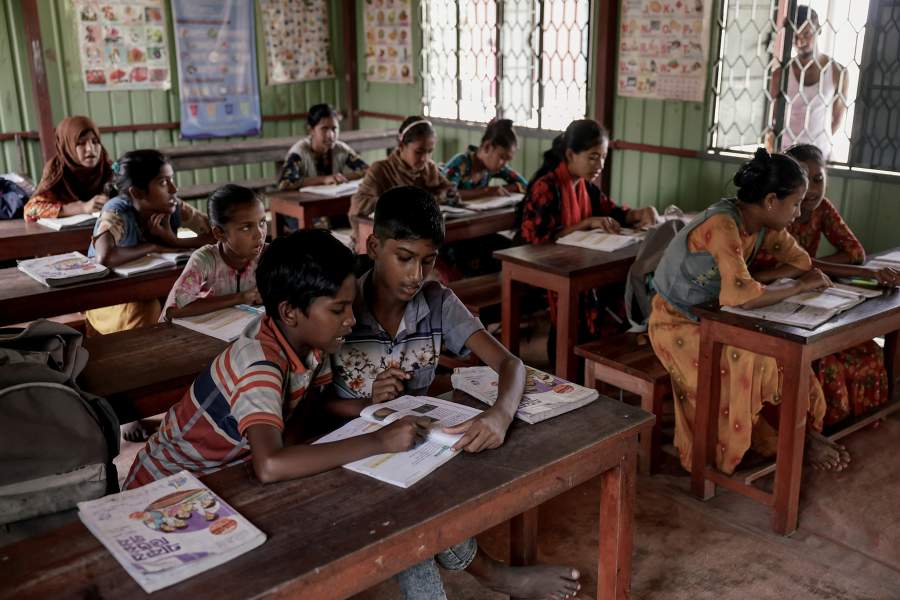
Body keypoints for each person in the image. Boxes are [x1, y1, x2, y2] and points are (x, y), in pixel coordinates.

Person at [332, 186, 581, 600]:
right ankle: (495, 575)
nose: (416, 275)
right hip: (347, 455)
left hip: (411, 453)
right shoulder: (340, 307)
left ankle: (497, 575)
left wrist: (500, 415)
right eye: (405, 258)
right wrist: (367, 405)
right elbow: (307, 405)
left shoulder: (437, 302)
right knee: (414, 519)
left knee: (430, 498)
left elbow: (510, 364)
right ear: (373, 246)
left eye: (427, 262)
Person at [124, 230, 424, 489]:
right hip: (164, 486)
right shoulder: (259, 366)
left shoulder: (312, 346)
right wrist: (380, 442)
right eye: (338, 310)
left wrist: (369, 406)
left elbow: (307, 408)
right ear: (290, 312)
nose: (351, 320)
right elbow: (269, 466)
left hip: (227, 473)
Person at [648, 148, 851, 475]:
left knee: (780, 355)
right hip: (676, 322)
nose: (799, 213)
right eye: (795, 203)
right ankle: (780, 443)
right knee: (752, 360)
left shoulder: (764, 224)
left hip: (718, 316)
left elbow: (800, 262)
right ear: (771, 200)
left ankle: (798, 436)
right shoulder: (724, 224)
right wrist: (794, 287)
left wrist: (758, 281)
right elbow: (741, 296)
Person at [751, 144, 899, 425]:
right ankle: (821, 428)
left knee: (868, 352)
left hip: (805, 293)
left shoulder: (822, 209)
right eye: (804, 180)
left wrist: (810, 265)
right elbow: (776, 270)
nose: (812, 190)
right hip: (769, 299)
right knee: (827, 358)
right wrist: (809, 267)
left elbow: (855, 253)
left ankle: (859, 423)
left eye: (818, 179)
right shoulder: (780, 211)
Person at [517, 119, 658, 340]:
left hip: (576, 265)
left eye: (603, 157)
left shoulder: (584, 186)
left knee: (627, 284)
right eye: (593, 157)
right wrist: (585, 223)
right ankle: (577, 353)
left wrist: (639, 213)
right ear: (571, 155)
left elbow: (612, 211)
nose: (600, 165)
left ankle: (598, 350)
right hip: (543, 272)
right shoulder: (546, 187)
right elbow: (535, 241)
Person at [86, 150, 211, 335]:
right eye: (163, 183)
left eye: (171, 180)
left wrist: (173, 241)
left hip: (155, 289)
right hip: (109, 299)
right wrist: (151, 247)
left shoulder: (173, 205)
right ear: (136, 192)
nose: (174, 189)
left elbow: (217, 234)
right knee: (149, 308)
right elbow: (105, 256)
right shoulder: (117, 211)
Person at [161, 184, 267, 321]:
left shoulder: (268, 255)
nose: (260, 235)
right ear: (219, 233)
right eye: (246, 227)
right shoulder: (205, 260)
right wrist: (241, 298)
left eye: (262, 222)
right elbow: (174, 310)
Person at [767, 6, 848, 159]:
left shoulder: (838, 73)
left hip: (820, 155)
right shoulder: (780, 73)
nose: (800, 41)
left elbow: (836, 119)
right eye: (794, 35)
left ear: (818, 30)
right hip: (786, 155)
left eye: (806, 33)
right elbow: (773, 119)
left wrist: (817, 144)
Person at [349, 116, 456, 231]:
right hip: (390, 235)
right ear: (401, 146)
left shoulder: (429, 168)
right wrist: (398, 204)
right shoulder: (381, 170)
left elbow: (448, 189)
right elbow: (358, 204)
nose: (425, 158)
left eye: (430, 152)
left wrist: (448, 194)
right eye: (419, 152)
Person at [24, 116, 112, 222]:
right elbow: (30, 210)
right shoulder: (57, 171)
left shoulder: (107, 167)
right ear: (67, 147)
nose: (90, 148)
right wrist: (80, 208)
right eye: (81, 143)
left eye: (95, 141)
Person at [277, 103, 368, 191]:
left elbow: (367, 171)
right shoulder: (299, 152)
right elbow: (285, 183)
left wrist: (340, 177)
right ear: (311, 130)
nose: (331, 135)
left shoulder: (341, 149)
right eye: (324, 129)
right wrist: (324, 180)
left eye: (334, 128)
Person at [441, 118, 527, 200]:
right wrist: (487, 191)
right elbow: (445, 193)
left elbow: (526, 185)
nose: (504, 163)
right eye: (502, 157)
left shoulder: (494, 168)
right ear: (487, 147)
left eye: (507, 159)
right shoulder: (461, 162)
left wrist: (500, 189)